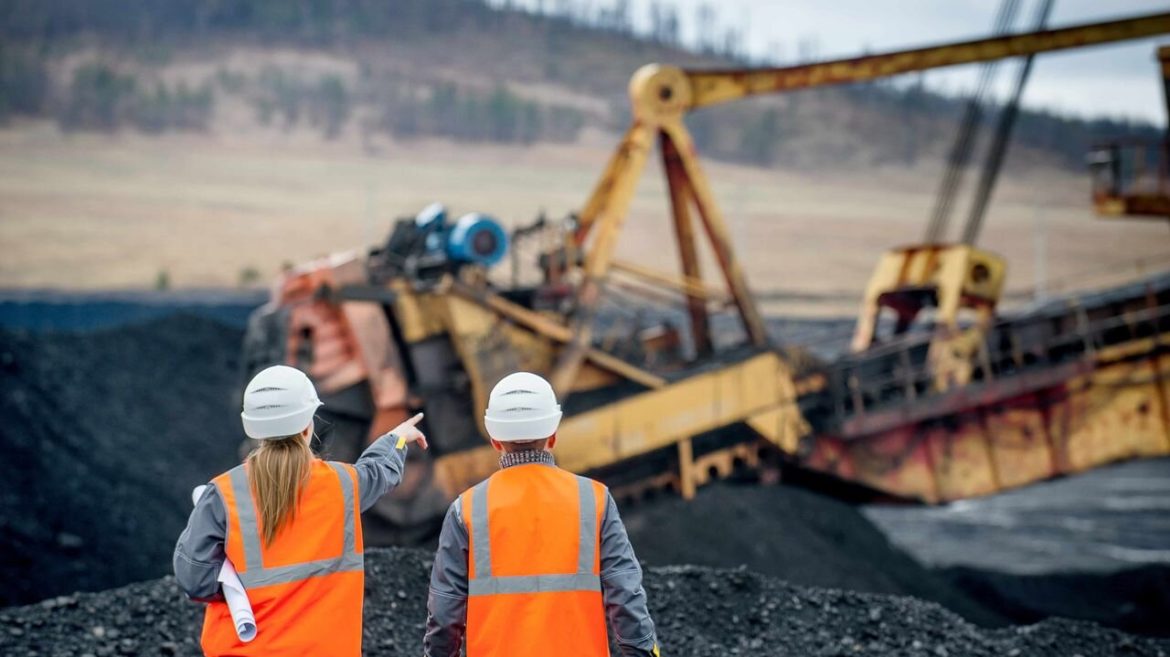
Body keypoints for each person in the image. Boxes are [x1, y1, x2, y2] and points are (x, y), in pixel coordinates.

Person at [173, 364, 428, 657]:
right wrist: (395, 439)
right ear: (309, 426)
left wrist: (241, 586)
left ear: (253, 428)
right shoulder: (343, 484)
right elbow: (379, 472)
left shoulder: (223, 494)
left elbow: (195, 580)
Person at [424, 372, 660, 657]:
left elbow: (445, 612)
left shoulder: (467, 509)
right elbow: (625, 595)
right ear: (554, 435)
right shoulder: (593, 500)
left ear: (494, 440)